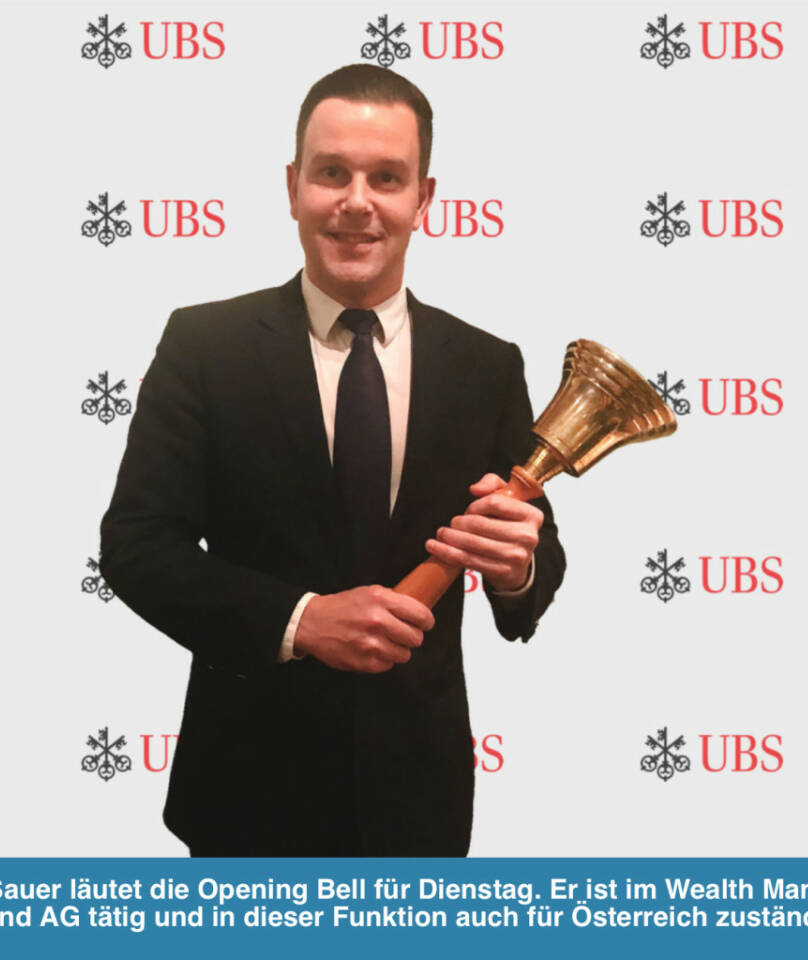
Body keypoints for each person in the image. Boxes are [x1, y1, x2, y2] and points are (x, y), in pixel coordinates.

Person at [100, 64, 565, 856]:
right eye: (331, 173)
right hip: (245, 796)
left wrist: (518, 566)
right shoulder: (203, 345)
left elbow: (535, 565)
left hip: (418, 801)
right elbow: (137, 546)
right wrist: (302, 620)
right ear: (293, 187)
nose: (357, 201)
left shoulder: (488, 365)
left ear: (423, 198)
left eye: (386, 177)